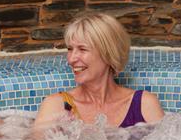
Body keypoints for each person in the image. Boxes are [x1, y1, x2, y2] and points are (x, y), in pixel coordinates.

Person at [33, 12, 164, 133]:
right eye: (70, 49)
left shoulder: (144, 104)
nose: (71, 59)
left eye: (82, 49)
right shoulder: (56, 106)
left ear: (108, 53)